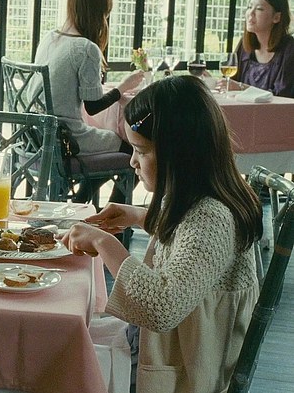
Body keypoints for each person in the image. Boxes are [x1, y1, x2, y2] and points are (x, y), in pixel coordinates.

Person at [61, 75, 263, 392]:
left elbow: (161, 308)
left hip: (181, 369)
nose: (132, 161)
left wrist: (104, 243)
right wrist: (139, 216)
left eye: (141, 151)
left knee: (60, 357)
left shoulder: (213, 217)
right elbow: (192, 246)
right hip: (170, 348)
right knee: (67, 338)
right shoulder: (199, 197)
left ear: (179, 154)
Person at [31, 0, 144, 202]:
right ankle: (112, 215)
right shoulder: (85, 48)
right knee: (133, 154)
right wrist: (124, 86)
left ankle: (81, 202)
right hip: (66, 139)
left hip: (35, 136)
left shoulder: (50, 38)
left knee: (107, 148)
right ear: (100, 12)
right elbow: (93, 106)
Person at [229, 0, 294, 97]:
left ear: (277, 17)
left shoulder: (289, 48)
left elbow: (282, 95)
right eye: (249, 7)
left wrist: (242, 87)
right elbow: (231, 82)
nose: (251, 13)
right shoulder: (244, 45)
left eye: (259, 9)